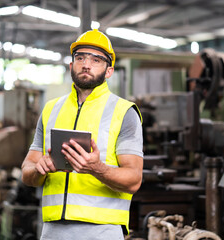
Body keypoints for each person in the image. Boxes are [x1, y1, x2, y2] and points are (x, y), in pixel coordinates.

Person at [21, 29, 143, 240]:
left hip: (102, 231)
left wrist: (97, 168)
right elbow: (27, 172)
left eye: (96, 59)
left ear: (109, 71)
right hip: (52, 230)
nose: (86, 64)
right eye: (80, 58)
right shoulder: (51, 109)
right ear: (71, 66)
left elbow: (134, 179)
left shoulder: (124, 112)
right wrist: (38, 170)